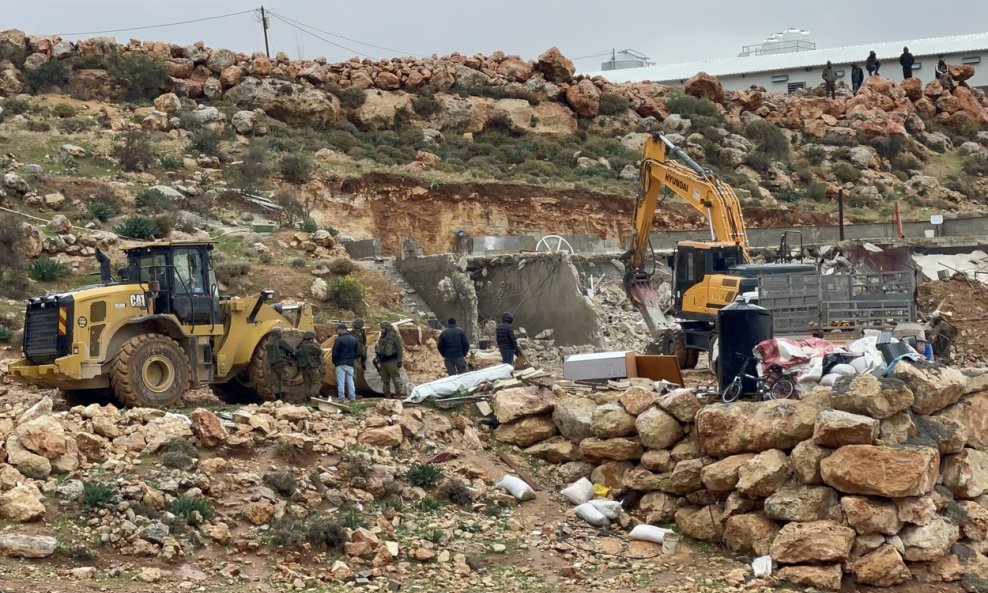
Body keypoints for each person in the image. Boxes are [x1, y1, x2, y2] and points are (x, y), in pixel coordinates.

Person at [375, 321, 404, 398]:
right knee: (385, 381)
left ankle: (398, 394)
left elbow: (399, 350)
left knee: (396, 379)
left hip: (392, 361)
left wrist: (399, 361)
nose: (381, 330)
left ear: (387, 328)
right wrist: (377, 359)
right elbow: (378, 350)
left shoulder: (395, 337)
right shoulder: (381, 338)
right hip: (382, 361)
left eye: (383, 328)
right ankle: (387, 395)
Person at [265, 326, 295, 401]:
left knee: (275, 382)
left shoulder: (268, 344)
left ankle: (278, 399)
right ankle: (283, 399)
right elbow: (291, 350)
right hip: (282, 364)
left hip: (273, 366)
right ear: (278, 334)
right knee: (285, 380)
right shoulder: (280, 341)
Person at [331, 323, 359, 403]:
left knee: (341, 382)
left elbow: (334, 352)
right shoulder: (354, 339)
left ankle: (341, 398)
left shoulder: (338, 340)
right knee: (350, 381)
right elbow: (357, 352)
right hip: (350, 364)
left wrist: (335, 362)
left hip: (340, 364)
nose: (337, 331)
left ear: (343, 330)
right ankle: (352, 398)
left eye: (339, 329)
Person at [296, 330, 324, 399]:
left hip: (303, 368)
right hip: (312, 367)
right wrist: (316, 344)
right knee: (316, 382)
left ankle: (307, 398)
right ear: (311, 338)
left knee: (307, 383)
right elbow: (320, 352)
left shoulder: (300, 346)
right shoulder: (311, 346)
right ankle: (314, 396)